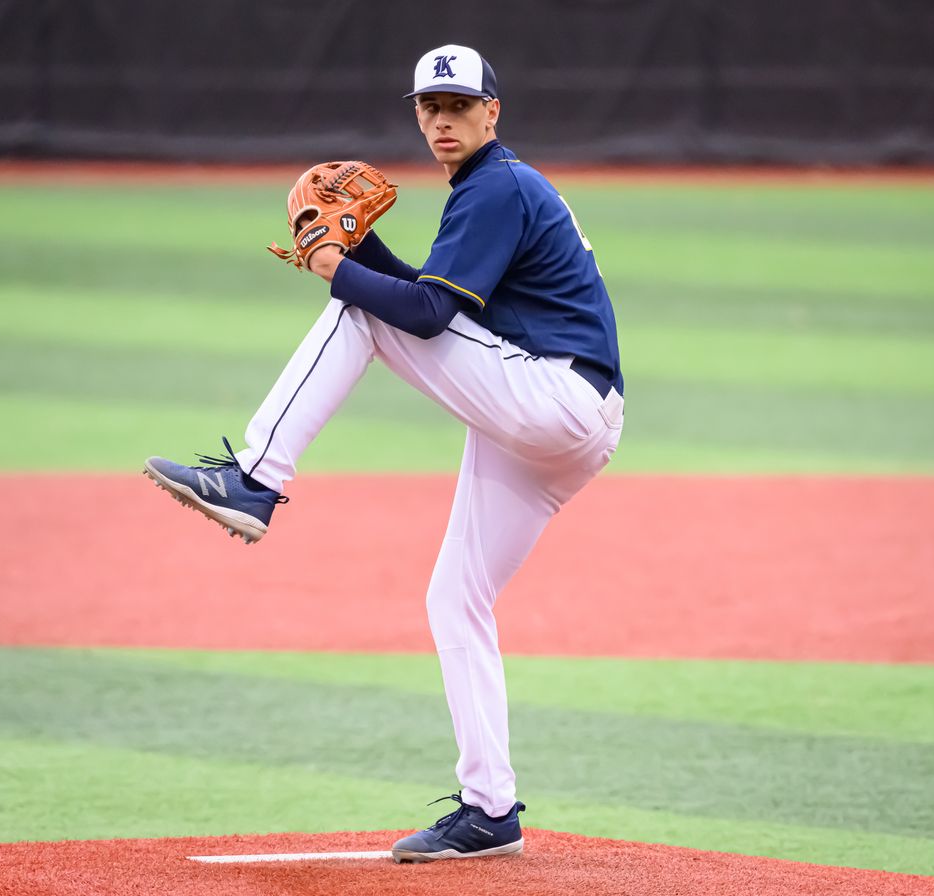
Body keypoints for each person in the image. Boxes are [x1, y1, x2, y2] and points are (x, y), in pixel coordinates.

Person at [144, 43, 624, 863]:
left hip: (553, 398)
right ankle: (490, 809)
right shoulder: (491, 188)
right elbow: (432, 303)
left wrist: (335, 265)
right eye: (429, 108)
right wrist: (362, 254)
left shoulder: (496, 186)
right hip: (561, 420)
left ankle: (257, 477)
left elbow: (424, 319)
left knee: (359, 314)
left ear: (492, 113)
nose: (442, 121)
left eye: (459, 106)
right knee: (455, 599)